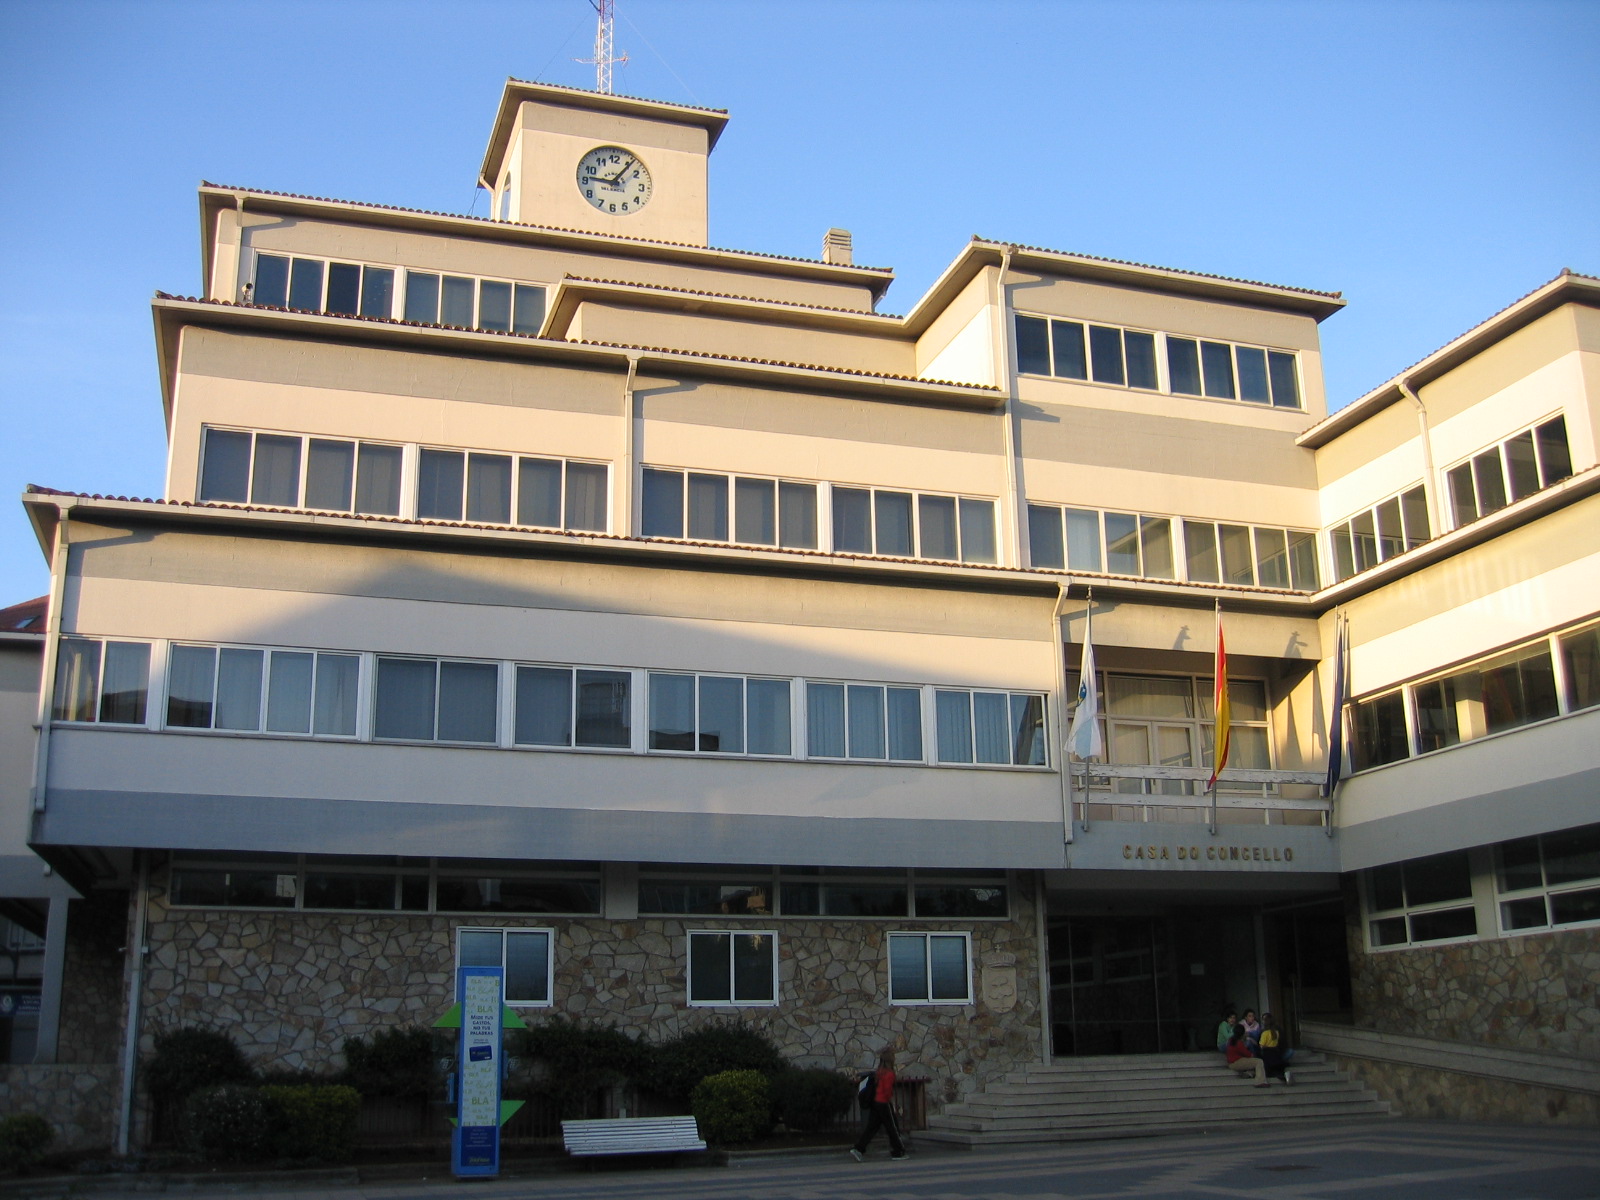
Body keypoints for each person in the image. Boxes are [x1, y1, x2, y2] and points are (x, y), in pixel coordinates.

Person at [850, 1049, 908, 1161]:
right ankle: (898, 1151)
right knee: (892, 1128)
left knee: (872, 1127)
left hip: (875, 1102)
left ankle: (859, 1148)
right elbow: (887, 1091)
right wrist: (890, 1102)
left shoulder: (879, 1072)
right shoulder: (890, 1074)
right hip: (884, 1103)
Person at [1258, 1012, 1294, 1084]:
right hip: (1276, 1053)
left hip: (1268, 1055)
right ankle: (1284, 1074)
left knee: (1270, 1071)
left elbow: (1261, 1046)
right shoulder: (1277, 1031)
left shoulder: (1264, 1033)